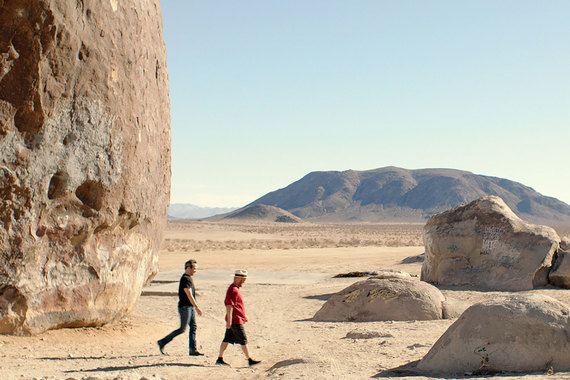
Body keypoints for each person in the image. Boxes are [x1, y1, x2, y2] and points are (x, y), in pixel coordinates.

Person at [157, 259, 203, 356]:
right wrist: (197, 307)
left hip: (190, 307)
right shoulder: (186, 278)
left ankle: (192, 349)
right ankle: (163, 342)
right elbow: (188, 293)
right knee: (182, 329)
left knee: (193, 327)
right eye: (194, 268)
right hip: (185, 307)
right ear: (188, 268)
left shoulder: (189, 278)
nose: (195, 270)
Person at [216, 270, 260, 366]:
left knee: (227, 339)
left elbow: (237, 306)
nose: (243, 282)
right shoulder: (233, 290)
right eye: (242, 280)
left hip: (236, 318)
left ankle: (219, 358)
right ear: (237, 279)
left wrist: (244, 315)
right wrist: (229, 321)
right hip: (235, 320)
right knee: (243, 340)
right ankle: (249, 359)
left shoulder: (235, 289)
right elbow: (229, 306)